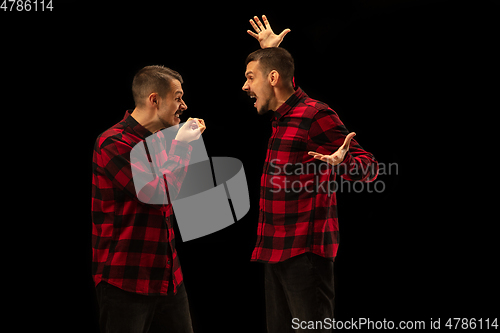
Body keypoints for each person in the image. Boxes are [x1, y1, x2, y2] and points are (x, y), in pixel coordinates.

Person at [244, 16, 379, 332]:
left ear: (273, 78)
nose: (245, 85)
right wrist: (270, 54)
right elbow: (281, 83)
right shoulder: (282, 118)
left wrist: (342, 163)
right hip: (274, 251)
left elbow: (369, 166)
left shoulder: (315, 113)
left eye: (251, 77)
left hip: (305, 255)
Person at [91, 65, 205, 333]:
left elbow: (182, 195)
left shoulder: (161, 141)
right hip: (126, 281)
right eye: (178, 97)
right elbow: (159, 193)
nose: (184, 105)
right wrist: (184, 145)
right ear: (155, 99)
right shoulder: (113, 143)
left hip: (168, 279)